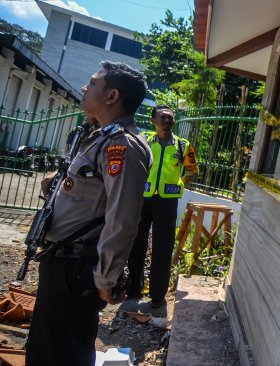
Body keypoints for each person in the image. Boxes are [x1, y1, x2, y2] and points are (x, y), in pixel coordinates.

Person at [25, 61, 152, 366]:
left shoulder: (122, 146)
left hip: (78, 268)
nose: (84, 88)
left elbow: (122, 218)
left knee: (62, 353)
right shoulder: (97, 137)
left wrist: (106, 277)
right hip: (61, 260)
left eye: (93, 83)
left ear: (111, 96)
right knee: (45, 348)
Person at [124, 104, 198, 316]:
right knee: (136, 244)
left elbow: (193, 170)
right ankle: (133, 291)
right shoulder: (145, 140)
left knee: (163, 249)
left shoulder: (183, 146)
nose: (167, 120)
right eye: (163, 117)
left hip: (167, 202)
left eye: (171, 117)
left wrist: (180, 183)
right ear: (153, 120)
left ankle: (157, 298)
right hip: (144, 199)